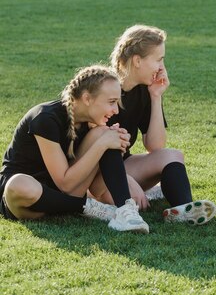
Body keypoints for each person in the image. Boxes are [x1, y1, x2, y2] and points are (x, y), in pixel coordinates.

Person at [0, 65, 150, 233]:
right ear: (87, 98)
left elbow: (97, 189)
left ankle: (125, 211)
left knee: (106, 134)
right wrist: (102, 145)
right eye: (111, 102)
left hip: (66, 195)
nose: (115, 110)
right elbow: (65, 183)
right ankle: (87, 207)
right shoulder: (45, 118)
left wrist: (114, 147)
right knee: (18, 183)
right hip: (27, 201)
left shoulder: (93, 125)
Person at [108, 25, 216, 225]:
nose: (161, 67)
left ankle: (183, 210)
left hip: (121, 166)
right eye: (158, 60)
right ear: (137, 60)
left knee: (172, 155)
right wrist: (125, 181)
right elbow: (88, 151)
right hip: (93, 175)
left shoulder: (143, 90)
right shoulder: (105, 88)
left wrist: (156, 96)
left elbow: (155, 146)